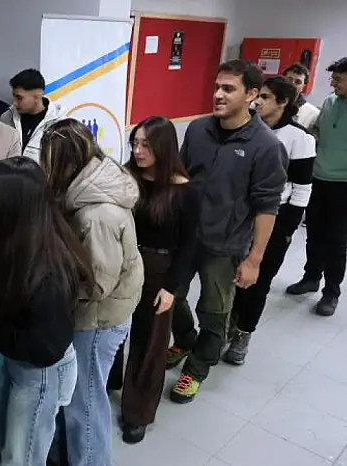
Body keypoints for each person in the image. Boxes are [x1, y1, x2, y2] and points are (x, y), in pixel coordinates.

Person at [167, 60, 287, 403]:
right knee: (169, 295)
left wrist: (254, 260)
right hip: (185, 237)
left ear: (251, 95)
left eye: (228, 89)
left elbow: (267, 207)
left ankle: (197, 367)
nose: (218, 94)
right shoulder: (197, 130)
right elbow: (182, 177)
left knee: (214, 310)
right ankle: (186, 339)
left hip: (225, 245)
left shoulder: (265, 145)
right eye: (217, 86)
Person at [0, 157, 93, 465]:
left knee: (23, 457)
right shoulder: (19, 247)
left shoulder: (48, 277)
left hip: (39, 373)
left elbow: (45, 349)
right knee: (7, 443)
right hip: (20, 366)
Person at [41, 118, 142, 466]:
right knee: (77, 395)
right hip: (103, 310)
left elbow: (98, 283)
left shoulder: (96, 214)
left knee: (84, 401)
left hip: (98, 318)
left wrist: (51, 286)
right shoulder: (91, 183)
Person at [116, 117, 200, 444]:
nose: (138, 151)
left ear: (164, 147)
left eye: (146, 145)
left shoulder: (184, 191)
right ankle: (112, 381)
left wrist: (172, 288)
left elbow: (189, 245)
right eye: (135, 143)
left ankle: (137, 412)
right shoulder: (126, 178)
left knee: (150, 342)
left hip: (160, 269)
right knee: (114, 330)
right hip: (124, 263)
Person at [224, 77, 316, 363]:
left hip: (275, 219)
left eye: (265, 97)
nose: (257, 102)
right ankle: (226, 325)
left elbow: (302, 188)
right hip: (239, 217)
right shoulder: (247, 129)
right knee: (230, 278)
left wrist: (286, 228)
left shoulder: (299, 138)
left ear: (283, 102)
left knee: (258, 281)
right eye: (257, 96)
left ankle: (243, 333)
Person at [286, 57, 347, 316]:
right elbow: (319, 133)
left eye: (338, 79)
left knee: (336, 241)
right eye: (333, 78)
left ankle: (331, 292)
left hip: (344, 185)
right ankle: (311, 277)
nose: (332, 83)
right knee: (314, 233)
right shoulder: (330, 102)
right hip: (318, 179)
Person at [0, 69, 65, 161]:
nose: (14, 102)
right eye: (14, 97)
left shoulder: (59, 124)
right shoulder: (6, 118)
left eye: (19, 98)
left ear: (37, 97)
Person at [283, 63, 320, 130]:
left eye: (298, 82)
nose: (292, 84)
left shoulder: (313, 114)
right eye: (289, 79)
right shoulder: (270, 103)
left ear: (303, 86)